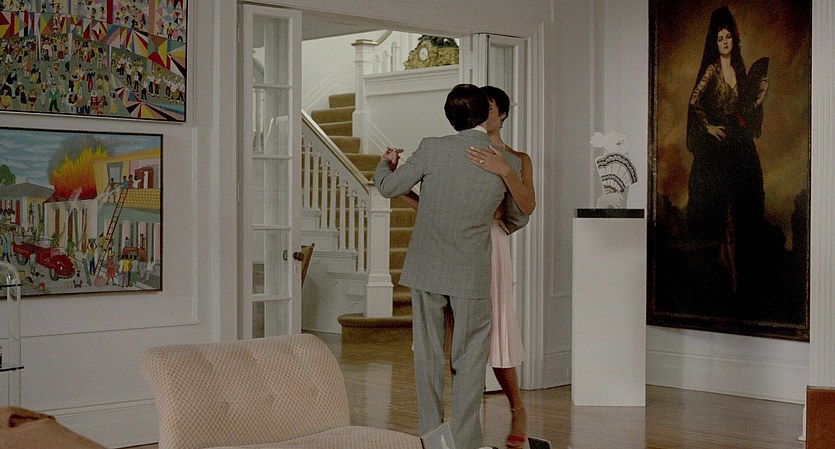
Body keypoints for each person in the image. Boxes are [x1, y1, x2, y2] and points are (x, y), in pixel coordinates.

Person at [374, 83, 528, 449]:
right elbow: (519, 216)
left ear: (451, 117)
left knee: (428, 356)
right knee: (470, 359)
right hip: (471, 273)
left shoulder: (432, 147)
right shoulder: (508, 163)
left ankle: (432, 438)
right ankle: (467, 442)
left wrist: (385, 163)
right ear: (485, 114)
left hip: (427, 268)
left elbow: (388, 187)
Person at [685, 5, 768, 292]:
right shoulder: (711, 70)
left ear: (734, 39)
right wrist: (708, 127)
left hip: (738, 142)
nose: (724, 42)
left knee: (744, 200)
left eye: (728, 37)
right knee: (724, 208)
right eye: (720, 38)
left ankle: (734, 264)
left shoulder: (739, 70)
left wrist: (759, 99)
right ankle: (729, 270)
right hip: (719, 146)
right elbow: (694, 102)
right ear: (715, 42)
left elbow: (744, 109)